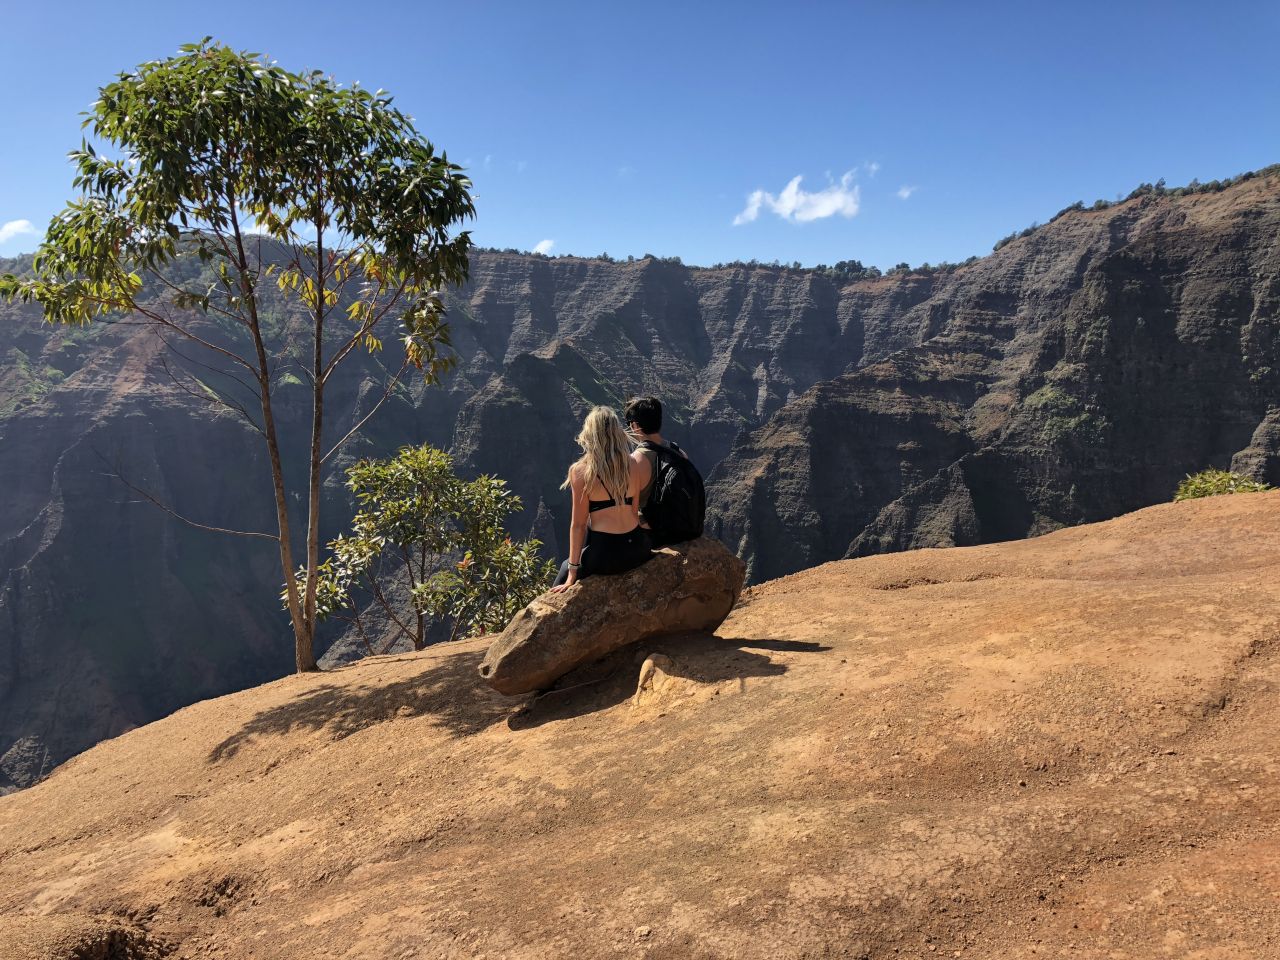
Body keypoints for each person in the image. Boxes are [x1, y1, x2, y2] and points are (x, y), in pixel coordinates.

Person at [551, 406, 653, 592]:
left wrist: (573, 571)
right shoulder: (634, 463)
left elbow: (578, 525)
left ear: (590, 433)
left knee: (565, 568)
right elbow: (633, 510)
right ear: (617, 432)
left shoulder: (581, 471)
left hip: (606, 555)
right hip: (638, 548)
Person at [623, 396, 706, 547]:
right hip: (685, 530)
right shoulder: (678, 451)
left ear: (635, 426)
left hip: (657, 536)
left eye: (629, 424)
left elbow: (629, 510)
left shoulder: (635, 460)